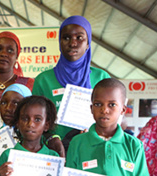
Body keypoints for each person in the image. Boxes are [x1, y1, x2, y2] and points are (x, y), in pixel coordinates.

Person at [32, 15, 111, 156]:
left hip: (93, 151)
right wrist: (51, 138)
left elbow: (111, 118)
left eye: (79, 38)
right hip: (54, 153)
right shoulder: (43, 80)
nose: (73, 43)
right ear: (59, 42)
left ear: (88, 43)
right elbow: (35, 119)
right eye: (66, 38)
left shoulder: (101, 78)